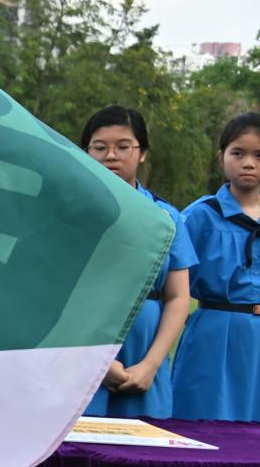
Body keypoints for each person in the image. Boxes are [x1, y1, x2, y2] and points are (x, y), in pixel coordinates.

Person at [171, 112, 260, 422]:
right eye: (238, 153)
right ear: (222, 157)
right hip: (213, 335)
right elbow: (169, 278)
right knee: (205, 422)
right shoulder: (199, 216)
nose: (248, 163)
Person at [77, 106, 197, 419]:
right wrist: (97, 362)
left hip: (146, 353)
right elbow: (55, 292)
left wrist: (151, 365)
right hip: (81, 354)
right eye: (99, 147)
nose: (110, 156)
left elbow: (178, 296)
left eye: (123, 147)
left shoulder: (167, 218)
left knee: (147, 440)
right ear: (85, 152)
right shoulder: (71, 214)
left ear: (141, 153)